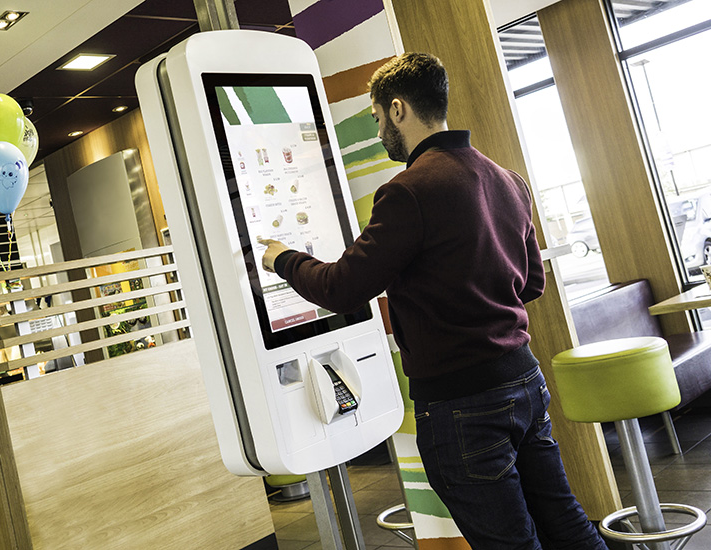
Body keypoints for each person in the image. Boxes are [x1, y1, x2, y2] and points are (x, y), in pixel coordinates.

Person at [260, 53, 608, 549]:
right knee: (566, 522)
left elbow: (341, 288)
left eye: (378, 118)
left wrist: (282, 258)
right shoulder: (508, 180)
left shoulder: (407, 192)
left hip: (462, 403)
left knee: (509, 542)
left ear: (398, 108)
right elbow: (531, 284)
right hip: (524, 381)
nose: (380, 130)